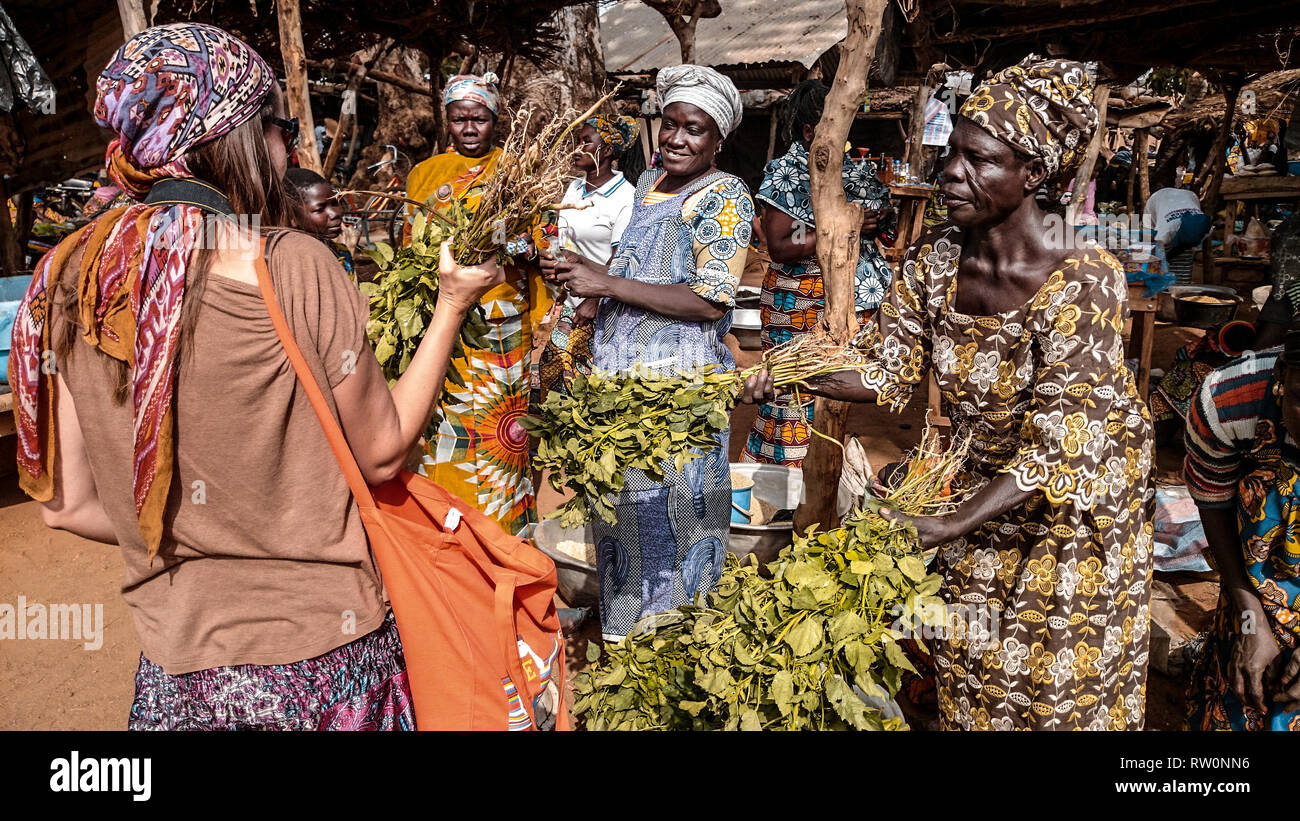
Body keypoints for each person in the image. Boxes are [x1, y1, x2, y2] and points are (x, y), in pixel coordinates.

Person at [8, 24, 502, 730]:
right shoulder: (290, 264)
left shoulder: (73, 280)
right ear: (233, 134)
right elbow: (383, 451)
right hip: (325, 666)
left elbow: (66, 504)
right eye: (279, 126)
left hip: (176, 680)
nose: (290, 147)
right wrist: (452, 304)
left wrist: (197, 534)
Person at [746, 58, 1155, 730]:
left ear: (1035, 174)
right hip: (979, 493)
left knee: (1054, 687)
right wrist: (790, 376)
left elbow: (1062, 445)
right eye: (951, 152)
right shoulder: (935, 260)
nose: (951, 172)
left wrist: (943, 523)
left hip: (1070, 508)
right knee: (972, 661)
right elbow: (886, 372)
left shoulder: (1085, 277)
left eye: (980, 159)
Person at [546, 64, 753, 641]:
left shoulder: (726, 197)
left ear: (718, 140)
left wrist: (607, 285)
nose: (677, 139)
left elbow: (711, 300)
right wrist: (586, 282)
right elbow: (638, 269)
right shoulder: (648, 183)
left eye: (695, 130)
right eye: (670, 124)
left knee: (674, 518)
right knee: (623, 519)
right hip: (620, 389)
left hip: (675, 392)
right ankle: (625, 640)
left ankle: (675, 649)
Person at [406, 72, 551, 538]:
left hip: (501, 326)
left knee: (501, 433)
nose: (469, 128)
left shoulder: (519, 171)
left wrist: (518, 247)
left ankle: (504, 537)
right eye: (459, 119)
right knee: (442, 423)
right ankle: (448, 530)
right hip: (443, 318)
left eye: (480, 119)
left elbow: (544, 246)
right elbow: (413, 247)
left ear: (495, 120)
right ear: (446, 120)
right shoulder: (423, 175)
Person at [741, 79, 895, 466]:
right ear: (811, 131)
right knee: (789, 400)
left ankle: (824, 486)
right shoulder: (787, 173)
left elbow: (882, 232)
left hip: (848, 301)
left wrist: (877, 220)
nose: (845, 139)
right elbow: (781, 245)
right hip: (799, 300)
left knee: (834, 401)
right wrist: (849, 226)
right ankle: (777, 493)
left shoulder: (853, 172)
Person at [1184, 331, 1300, 730]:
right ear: (1283, 375)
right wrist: (1250, 620)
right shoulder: (1226, 401)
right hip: (1254, 587)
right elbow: (1213, 503)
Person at [536, 114, 638, 401]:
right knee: (554, 388)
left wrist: (595, 299)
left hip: (601, 310)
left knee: (588, 394)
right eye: (577, 141)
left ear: (606, 151)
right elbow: (562, 240)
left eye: (585, 142)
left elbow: (622, 260)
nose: (577, 148)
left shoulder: (625, 198)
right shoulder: (575, 188)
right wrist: (550, 259)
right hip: (568, 305)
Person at [283, 167, 357, 278]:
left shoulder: (342, 253)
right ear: (292, 217)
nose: (334, 213)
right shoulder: (292, 264)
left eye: (335, 203)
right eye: (319, 209)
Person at [1144, 179, 1210, 286]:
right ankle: (1167, 289)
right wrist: (1164, 272)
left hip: (1188, 196)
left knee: (1185, 258)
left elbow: (1192, 247)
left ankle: (1182, 286)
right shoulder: (1166, 229)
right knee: (1161, 258)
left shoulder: (1203, 225)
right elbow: (1158, 247)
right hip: (1157, 204)